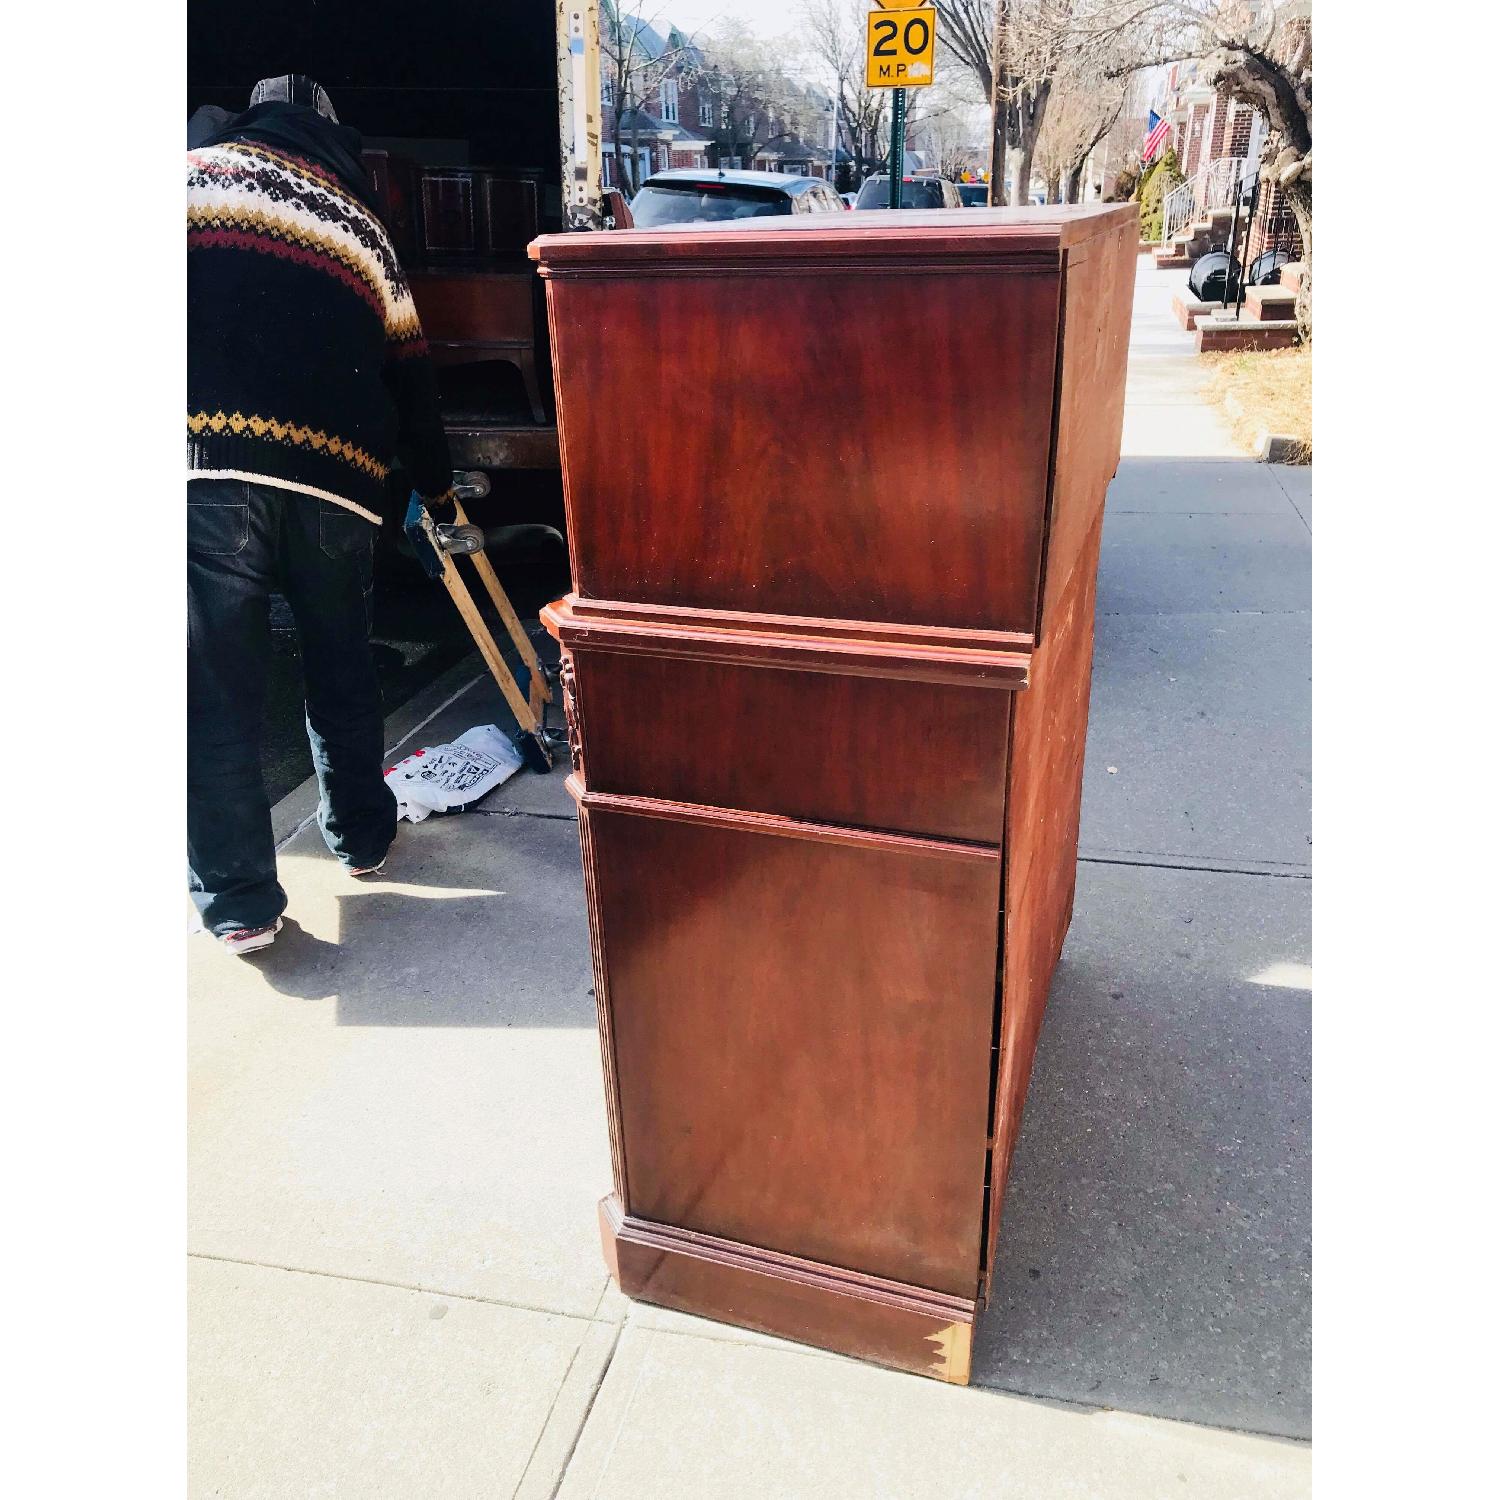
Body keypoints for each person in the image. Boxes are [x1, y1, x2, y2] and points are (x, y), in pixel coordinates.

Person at [188, 75, 454, 954]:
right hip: (338, 485)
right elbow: (412, 379)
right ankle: (365, 839)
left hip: (211, 469)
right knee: (341, 666)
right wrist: (438, 490)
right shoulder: (363, 228)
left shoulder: (185, 180)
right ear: (334, 138)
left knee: (214, 690)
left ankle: (240, 904)